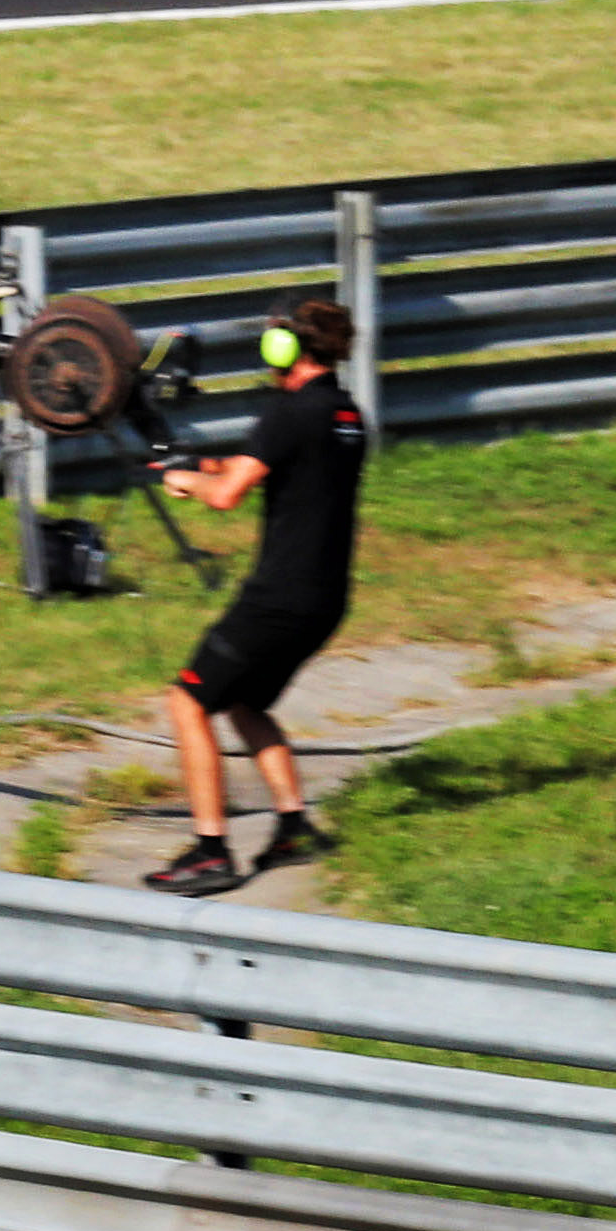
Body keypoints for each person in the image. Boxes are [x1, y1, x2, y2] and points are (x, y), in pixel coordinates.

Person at [145, 298, 367, 897]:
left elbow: (227, 496)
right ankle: (294, 827)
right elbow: (274, 468)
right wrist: (208, 461)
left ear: (287, 350)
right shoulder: (345, 415)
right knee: (244, 705)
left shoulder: (287, 413)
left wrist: (184, 479)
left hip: (277, 599)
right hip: (325, 600)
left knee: (187, 700)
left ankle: (210, 851)